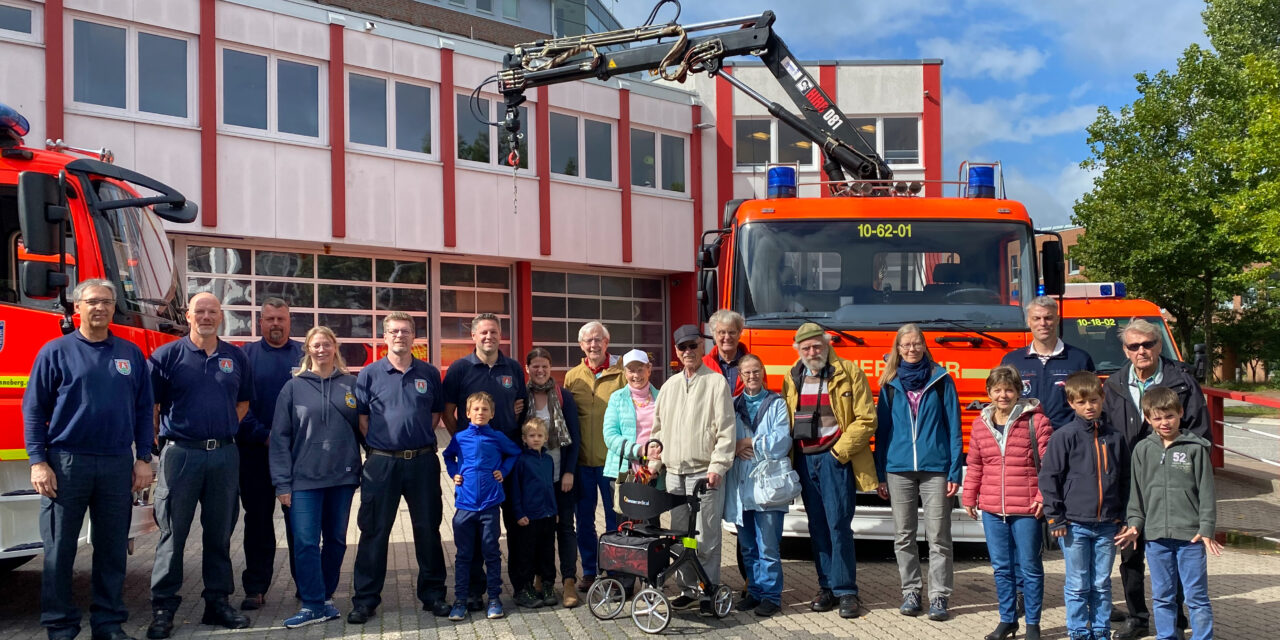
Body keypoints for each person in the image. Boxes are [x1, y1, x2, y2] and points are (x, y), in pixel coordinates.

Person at [22, 279, 154, 640]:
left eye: (107, 302)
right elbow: (33, 411)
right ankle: (60, 626)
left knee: (112, 550)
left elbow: (145, 410)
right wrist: (38, 462)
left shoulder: (130, 354)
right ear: (77, 307)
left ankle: (108, 624)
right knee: (59, 550)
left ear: (114, 308)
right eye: (93, 302)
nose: (101, 308)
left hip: (115, 463)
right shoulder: (55, 351)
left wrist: (144, 458)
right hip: (65, 464)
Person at [147, 292, 254, 638]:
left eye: (212, 311)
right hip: (180, 455)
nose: (206, 317)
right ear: (189, 316)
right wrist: (157, 447)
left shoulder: (235, 356)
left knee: (220, 533)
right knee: (172, 534)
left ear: (220, 317)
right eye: (200, 311)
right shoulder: (167, 356)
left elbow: (243, 403)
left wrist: (220, 429)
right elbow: (150, 406)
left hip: (223, 455)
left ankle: (217, 603)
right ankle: (164, 607)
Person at [1104, 318, 1209, 640]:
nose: (1141, 350)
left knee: (1176, 551)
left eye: (1147, 344)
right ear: (1125, 350)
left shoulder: (1183, 382)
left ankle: (1175, 619)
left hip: (1174, 483)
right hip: (1130, 483)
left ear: (1158, 344)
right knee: (1131, 554)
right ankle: (1137, 617)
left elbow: (1200, 432)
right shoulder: (1114, 384)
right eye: (1134, 346)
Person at [348, 313, 449, 624]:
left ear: (414, 336)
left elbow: (435, 416)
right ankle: (365, 600)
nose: (399, 336)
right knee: (374, 531)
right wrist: (387, 447)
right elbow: (362, 421)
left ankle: (433, 595)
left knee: (428, 530)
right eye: (393, 331)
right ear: (385, 336)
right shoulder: (368, 374)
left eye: (405, 331)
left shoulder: (429, 373)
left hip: (422, 462)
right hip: (382, 464)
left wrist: (412, 441)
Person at [782, 322, 877, 619]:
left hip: (835, 459)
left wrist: (839, 453)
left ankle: (847, 590)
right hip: (805, 459)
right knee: (817, 527)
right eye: (806, 348)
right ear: (799, 350)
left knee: (838, 524)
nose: (812, 352)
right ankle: (826, 587)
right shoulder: (792, 376)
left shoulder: (848, 371)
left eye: (817, 346)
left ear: (827, 345)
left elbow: (867, 418)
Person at [269, 326, 360, 628]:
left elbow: (366, 428)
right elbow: (280, 438)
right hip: (304, 480)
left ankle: (325, 598)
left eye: (326, 344)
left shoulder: (351, 384)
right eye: (315, 345)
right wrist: (282, 482)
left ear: (335, 347)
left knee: (336, 540)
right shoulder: (293, 388)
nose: (321, 350)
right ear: (308, 350)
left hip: (342, 479)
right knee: (306, 542)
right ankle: (311, 603)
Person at [873, 323, 963, 622]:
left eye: (916, 344)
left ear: (924, 346)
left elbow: (953, 427)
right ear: (898, 350)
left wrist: (954, 471)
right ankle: (911, 591)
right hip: (898, 469)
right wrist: (880, 473)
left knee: (939, 536)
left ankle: (939, 596)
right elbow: (882, 432)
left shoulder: (942, 380)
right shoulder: (890, 383)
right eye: (906, 345)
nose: (911, 349)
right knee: (903, 535)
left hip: (935, 468)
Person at [1116, 387, 1220, 640]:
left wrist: (1206, 528)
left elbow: (1207, 493)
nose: (1164, 422)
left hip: (1191, 538)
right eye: (1158, 418)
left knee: (1196, 596)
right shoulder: (1142, 449)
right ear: (1148, 419)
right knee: (1162, 595)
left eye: (1169, 416)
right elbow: (1136, 494)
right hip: (1155, 538)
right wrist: (1135, 525)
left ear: (1180, 413)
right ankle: (1166, 636)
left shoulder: (1195, 449)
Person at [648, 325, 736, 616]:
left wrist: (718, 466)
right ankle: (688, 590)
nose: (688, 352)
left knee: (705, 537)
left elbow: (726, 431)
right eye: (682, 347)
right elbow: (657, 430)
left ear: (702, 347)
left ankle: (707, 591)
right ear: (676, 351)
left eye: (693, 346)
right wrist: (654, 463)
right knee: (680, 537)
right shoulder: (669, 386)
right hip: (674, 474)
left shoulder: (716, 383)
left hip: (703, 473)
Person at [441, 312, 527, 608]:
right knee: (477, 528)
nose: (488, 337)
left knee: (515, 525)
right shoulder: (460, 368)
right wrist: (464, 445)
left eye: (493, 332)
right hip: (475, 468)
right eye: (483, 333)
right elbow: (448, 410)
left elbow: (521, 405)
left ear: (500, 335)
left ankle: (520, 586)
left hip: (506, 463)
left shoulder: (513, 368)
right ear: (473, 337)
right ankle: (476, 592)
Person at [963, 366, 1054, 640]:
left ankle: (1033, 625)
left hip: (1027, 508)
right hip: (992, 508)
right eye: (997, 389)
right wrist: (969, 496)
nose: (1003, 395)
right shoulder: (980, 424)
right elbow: (975, 463)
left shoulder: (1036, 422)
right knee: (1001, 567)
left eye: (1009, 389)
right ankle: (1007, 620)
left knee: (1030, 567)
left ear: (1019, 391)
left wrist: (1042, 497)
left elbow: (1050, 464)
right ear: (989, 392)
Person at [1040, 371, 1131, 640]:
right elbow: (1050, 478)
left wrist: (1124, 516)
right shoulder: (1064, 436)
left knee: (1101, 583)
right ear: (1071, 403)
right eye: (1081, 402)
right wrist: (1055, 517)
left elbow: (1125, 479)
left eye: (1093, 400)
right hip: (1074, 524)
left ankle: (1101, 629)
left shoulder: (1115, 437)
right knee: (1078, 583)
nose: (1089, 406)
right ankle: (1079, 630)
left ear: (1102, 398)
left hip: (1108, 524)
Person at [236, 298, 304, 610]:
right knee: (259, 521)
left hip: (298, 455)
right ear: (260, 322)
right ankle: (255, 587)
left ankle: (306, 586)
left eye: (281, 319)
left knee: (300, 523)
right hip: (255, 453)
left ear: (289, 322)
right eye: (269, 319)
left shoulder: (304, 355)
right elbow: (238, 405)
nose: (275, 324)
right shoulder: (245, 356)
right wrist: (264, 436)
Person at [721, 354, 791, 618]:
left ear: (763, 372)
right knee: (748, 546)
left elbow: (782, 441)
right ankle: (755, 592)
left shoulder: (776, 404)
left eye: (756, 371)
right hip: (741, 485)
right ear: (740, 375)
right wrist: (734, 447)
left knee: (768, 547)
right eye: (746, 373)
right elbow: (725, 439)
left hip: (768, 485)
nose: (751, 377)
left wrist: (747, 443)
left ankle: (772, 597)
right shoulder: (733, 405)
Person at [443, 392, 522, 622]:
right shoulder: (459, 438)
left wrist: (503, 472)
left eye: (485, 409)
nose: (480, 413)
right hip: (465, 505)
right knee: (464, 555)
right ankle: (460, 601)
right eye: (476, 409)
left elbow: (515, 452)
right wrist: (454, 473)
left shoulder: (497, 437)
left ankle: (495, 599)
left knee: (491, 551)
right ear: (467, 413)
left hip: (490, 505)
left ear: (492, 413)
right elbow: (448, 457)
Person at [563, 321, 626, 591]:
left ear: (607, 342)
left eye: (598, 340)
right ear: (581, 345)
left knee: (616, 521)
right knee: (585, 521)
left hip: (613, 464)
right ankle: (589, 570)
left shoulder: (622, 374)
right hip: (582, 463)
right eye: (588, 341)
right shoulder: (572, 376)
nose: (593, 345)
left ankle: (615, 571)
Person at [518, 347, 582, 607]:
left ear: (550, 367)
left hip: (559, 475)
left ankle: (568, 581)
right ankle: (541, 578)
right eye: (535, 366)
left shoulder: (563, 396)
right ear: (527, 369)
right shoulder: (521, 398)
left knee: (565, 528)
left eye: (545, 365)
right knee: (537, 531)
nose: (540, 370)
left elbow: (575, 439)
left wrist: (569, 471)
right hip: (533, 479)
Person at [1001, 296, 1096, 429]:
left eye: (1048, 318)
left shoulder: (1079, 359)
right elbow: (1002, 403)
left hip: (1068, 439)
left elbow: (1092, 402)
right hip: (1025, 439)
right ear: (1028, 321)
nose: (1043, 323)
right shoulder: (1012, 361)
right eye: (1036, 318)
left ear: (1057, 320)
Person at [509, 418, 560, 610]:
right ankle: (525, 588)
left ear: (546, 438)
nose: (536, 439)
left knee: (547, 552)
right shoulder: (521, 461)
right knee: (527, 554)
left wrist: (554, 510)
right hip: (529, 517)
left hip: (547, 515)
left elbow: (550, 487)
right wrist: (519, 513)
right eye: (532, 436)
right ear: (524, 439)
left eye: (540, 435)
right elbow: (516, 489)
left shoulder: (548, 460)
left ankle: (547, 585)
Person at [703, 309, 748, 397]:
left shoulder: (754, 364)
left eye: (732, 332)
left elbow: (763, 398)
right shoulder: (704, 364)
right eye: (722, 332)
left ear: (739, 334)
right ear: (714, 335)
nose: (727, 337)